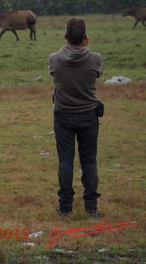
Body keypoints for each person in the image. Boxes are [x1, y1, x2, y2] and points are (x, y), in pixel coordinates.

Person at [48, 18, 103, 218]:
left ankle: (65, 207)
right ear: (85, 38)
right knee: (89, 161)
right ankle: (91, 207)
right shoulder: (95, 58)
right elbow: (96, 74)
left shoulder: (54, 59)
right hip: (89, 115)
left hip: (63, 116)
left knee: (65, 161)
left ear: (66, 36)